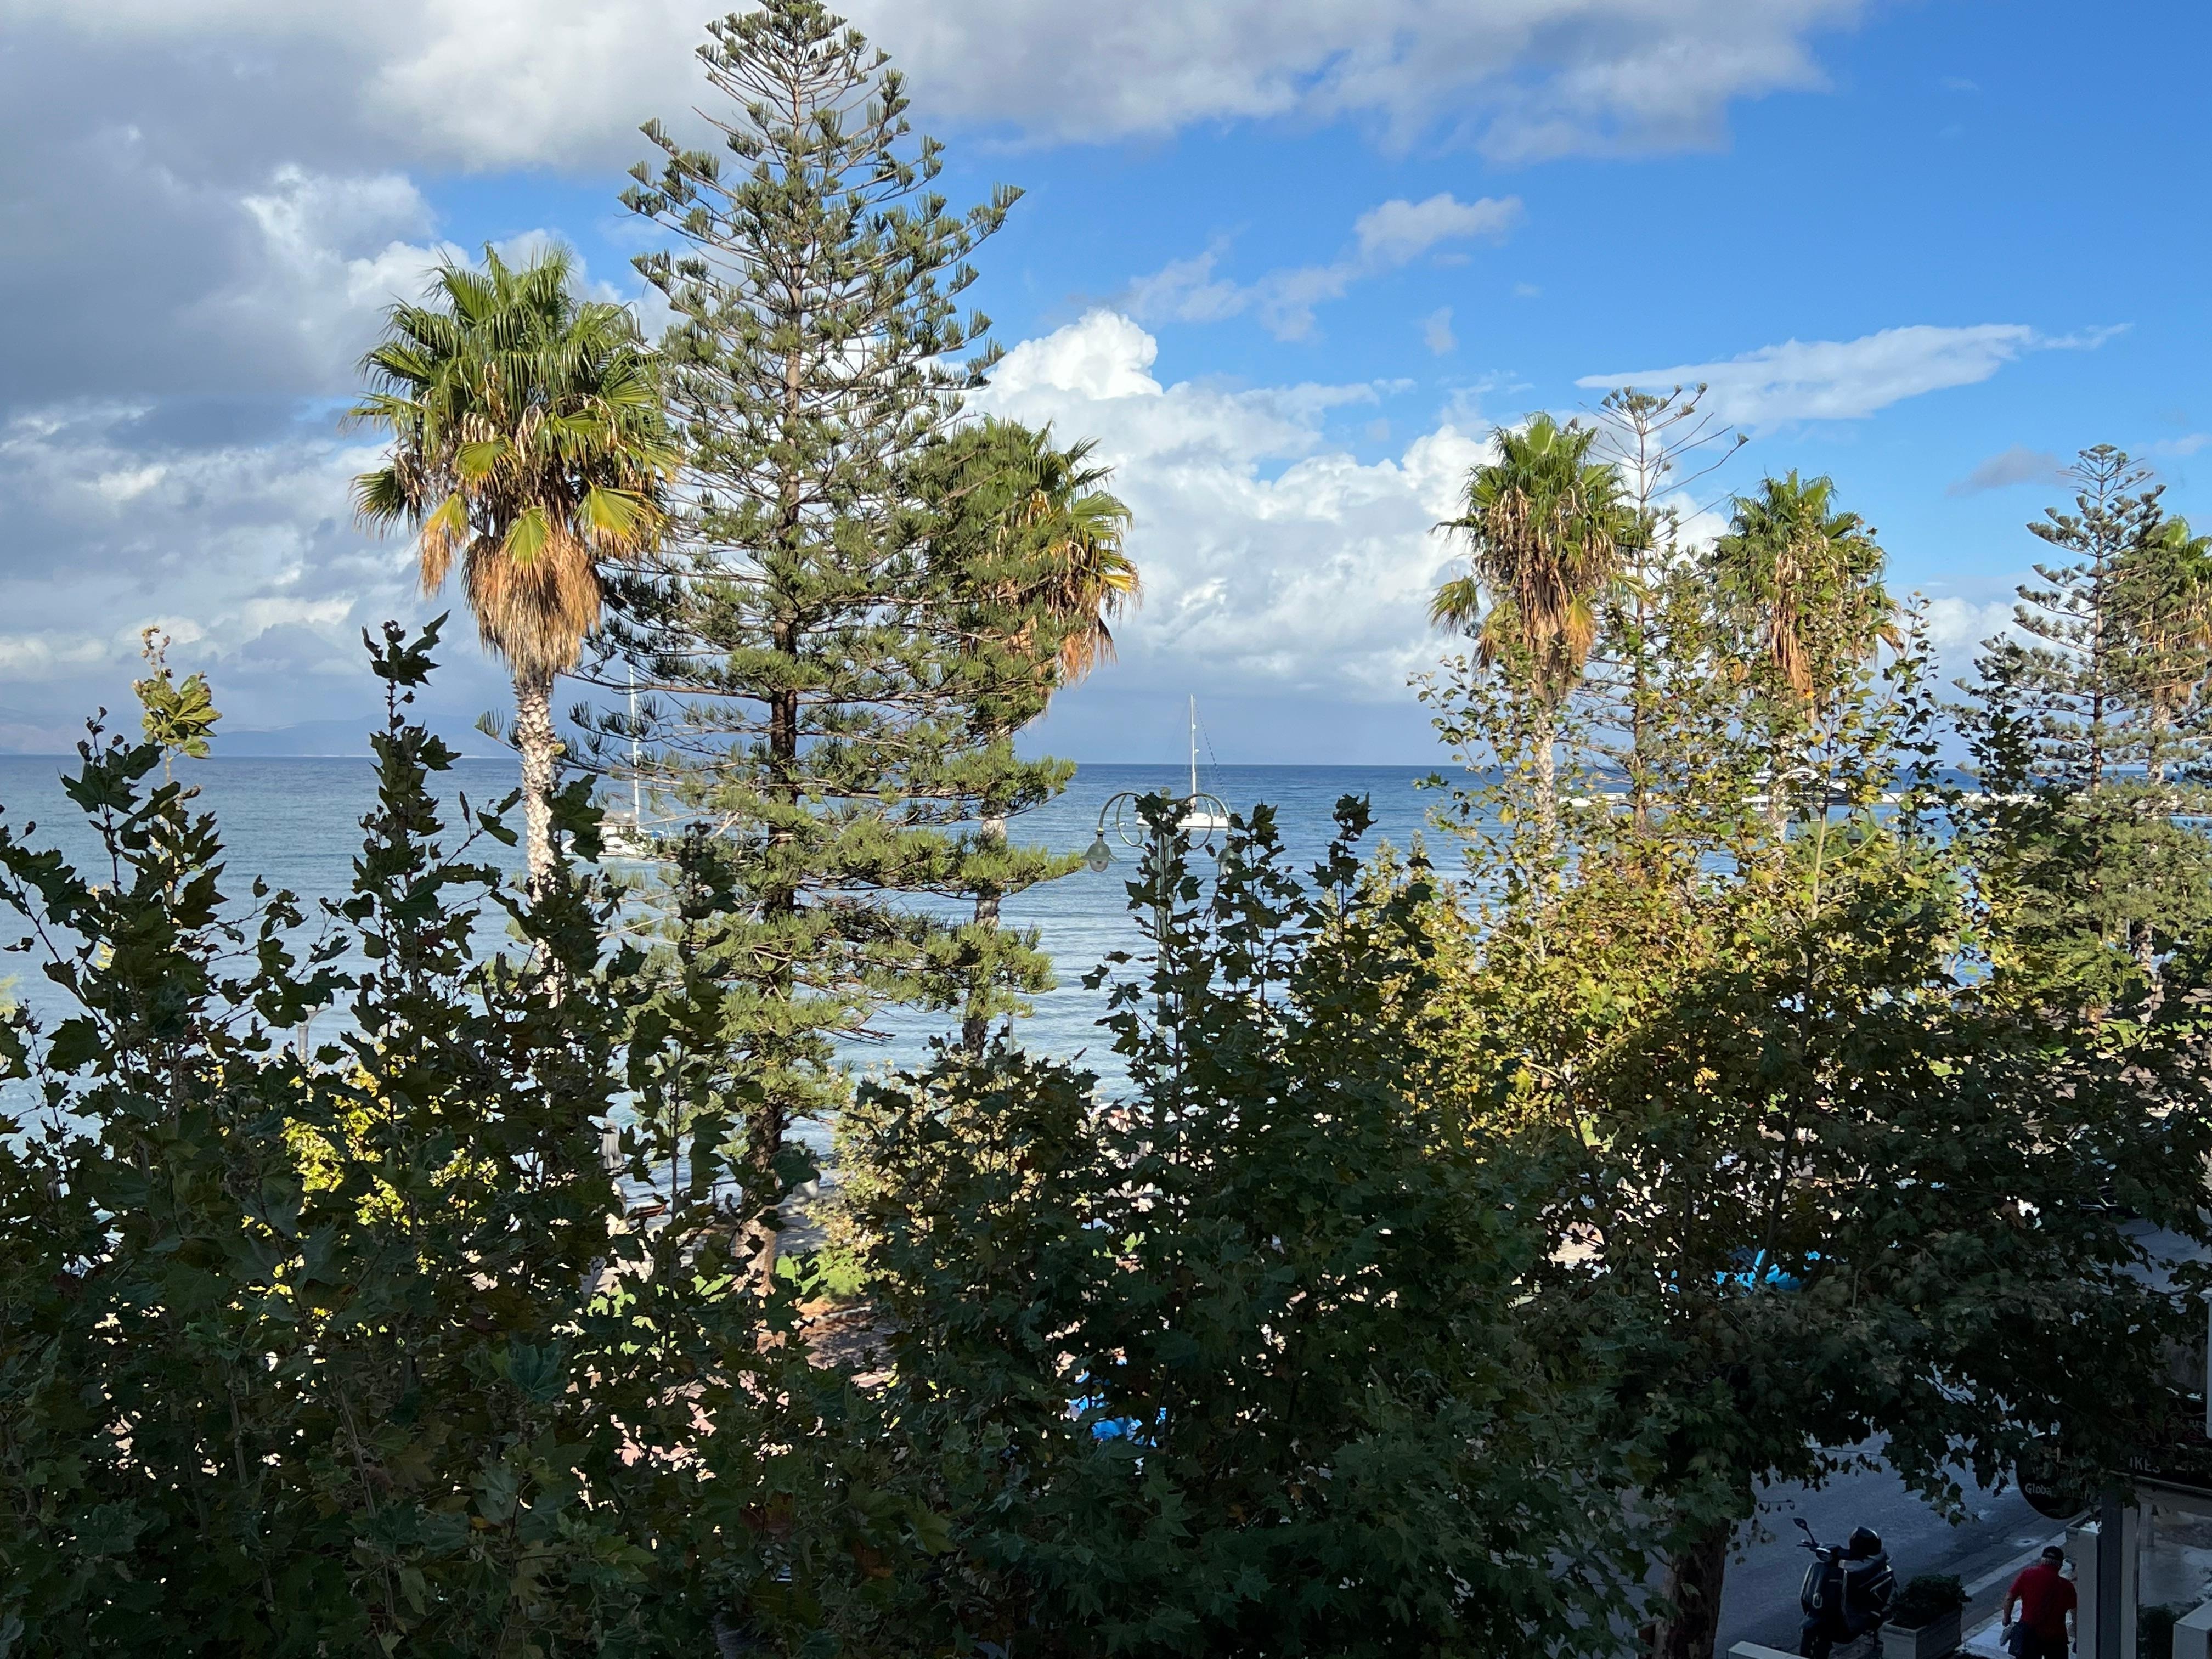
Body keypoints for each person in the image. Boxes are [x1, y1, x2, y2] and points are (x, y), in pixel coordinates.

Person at [2002, 1545, 2077, 1658]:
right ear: (2060, 1565)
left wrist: (2006, 1618)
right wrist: (2076, 1632)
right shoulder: (2067, 1587)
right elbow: (2075, 1610)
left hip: (2029, 1634)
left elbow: (2009, 1597)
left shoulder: (2027, 1575)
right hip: (2056, 1637)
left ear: (2042, 1561)